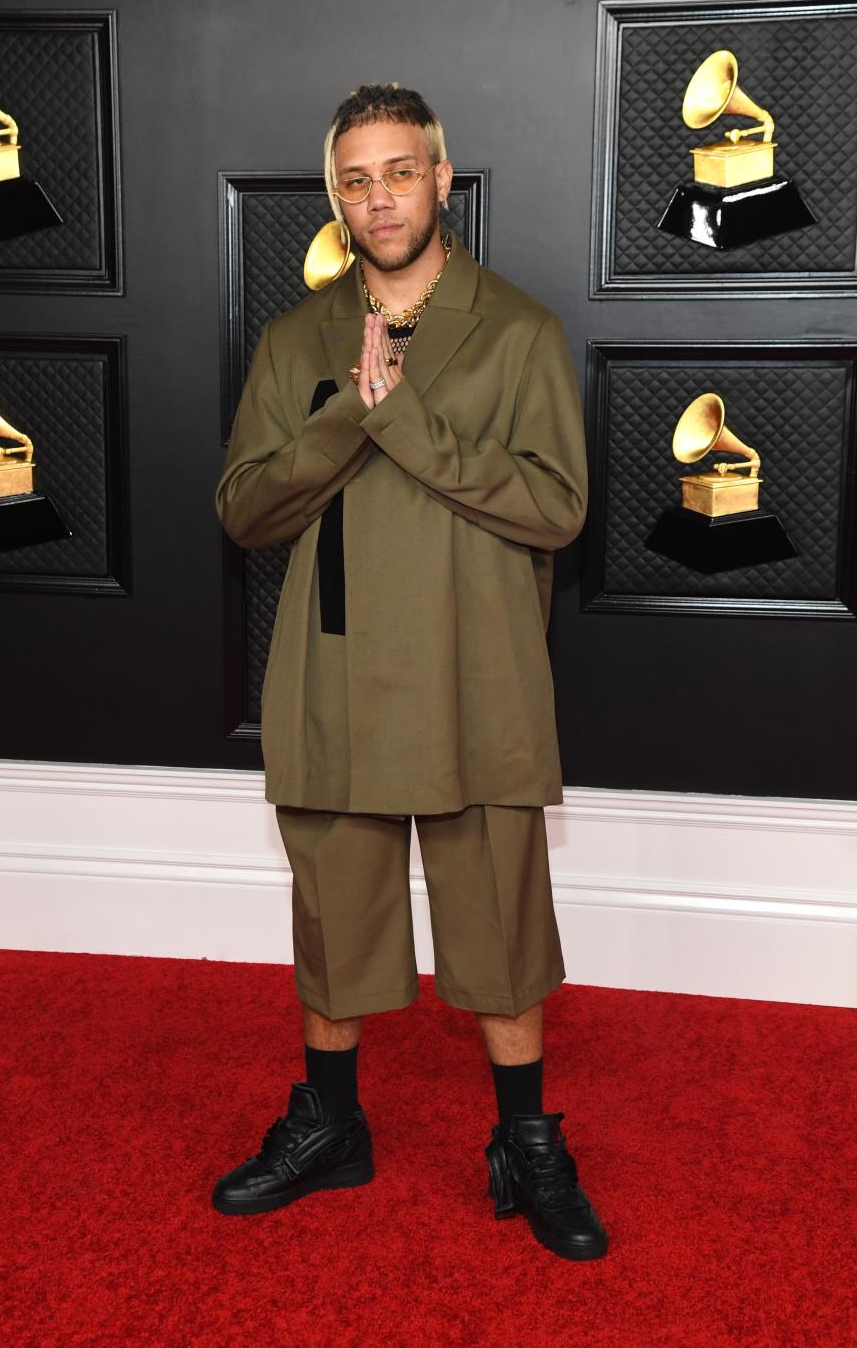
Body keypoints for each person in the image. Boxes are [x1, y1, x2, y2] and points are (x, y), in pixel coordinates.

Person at [212, 83, 608, 1261]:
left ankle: (528, 1143)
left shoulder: (520, 331)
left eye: (399, 170)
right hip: (334, 673)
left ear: (442, 179)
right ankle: (331, 1124)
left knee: (499, 929)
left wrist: (410, 424)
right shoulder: (297, 340)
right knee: (335, 918)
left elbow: (557, 506)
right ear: (336, 196)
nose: (379, 195)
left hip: (478, 672)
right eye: (355, 177)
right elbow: (242, 510)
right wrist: (346, 415)